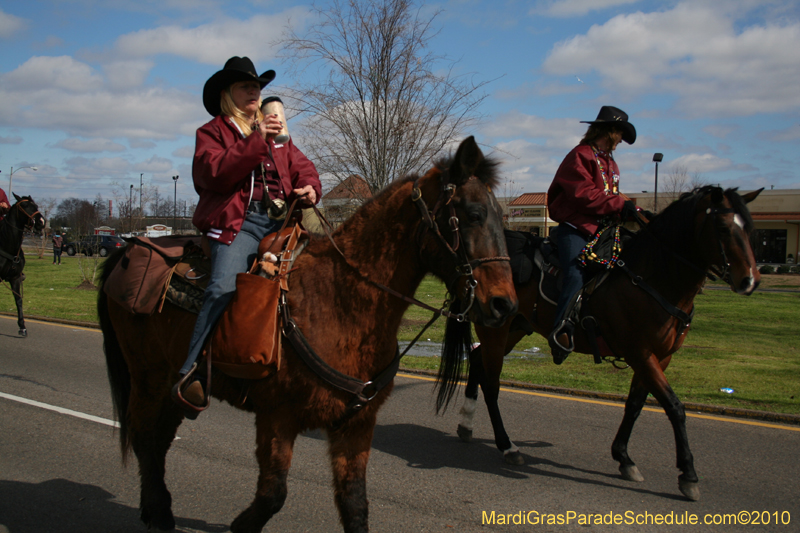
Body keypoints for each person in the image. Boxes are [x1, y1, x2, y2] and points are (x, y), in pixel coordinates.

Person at [173, 56, 321, 414]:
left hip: (282, 224)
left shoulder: (278, 134)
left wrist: (311, 189)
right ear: (228, 94)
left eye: (257, 86)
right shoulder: (212, 133)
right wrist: (257, 141)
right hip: (239, 223)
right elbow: (215, 174)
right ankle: (191, 371)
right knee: (223, 287)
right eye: (246, 85)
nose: (255, 90)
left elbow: (304, 168)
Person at [546, 106, 638, 365]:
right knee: (576, 272)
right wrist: (621, 204)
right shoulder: (580, 155)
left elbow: (610, 197)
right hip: (575, 229)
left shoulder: (611, 163)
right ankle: (561, 330)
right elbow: (583, 194)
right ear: (608, 131)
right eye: (619, 132)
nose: (620, 139)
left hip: (602, 232)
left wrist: (633, 211)